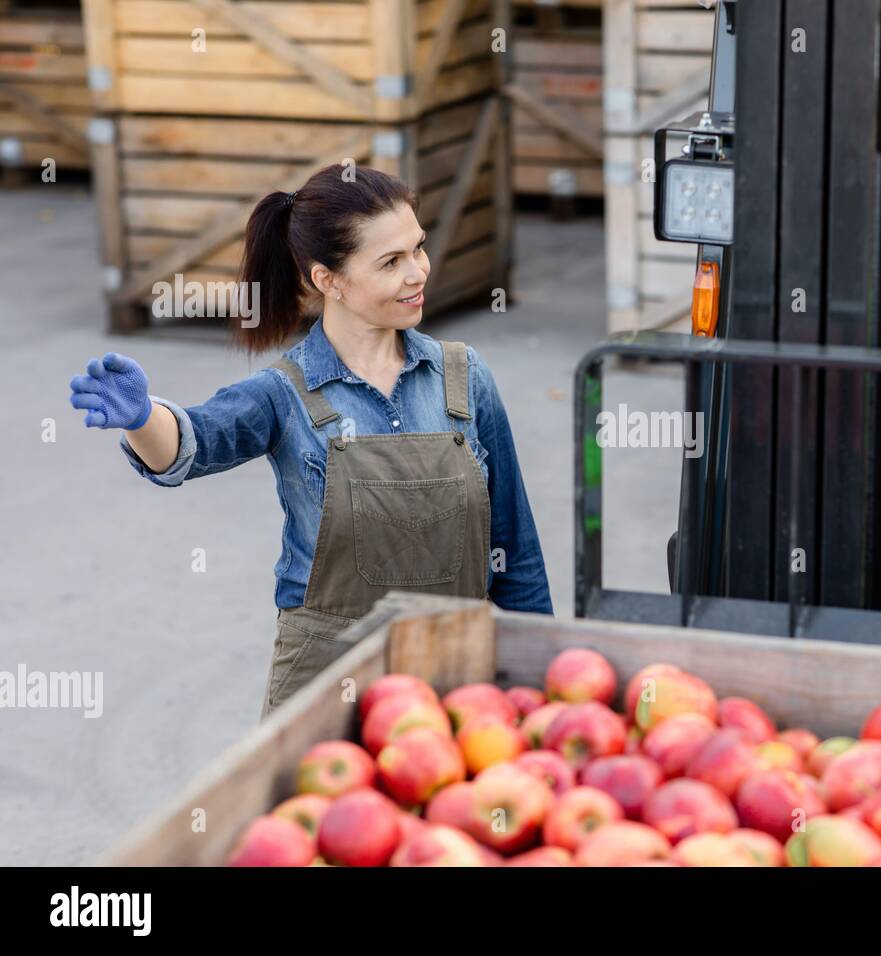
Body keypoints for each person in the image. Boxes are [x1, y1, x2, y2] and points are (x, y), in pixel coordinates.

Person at [69, 164, 553, 715]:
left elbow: (516, 551)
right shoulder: (284, 393)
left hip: (459, 670)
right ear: (329, 280)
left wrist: (539, 679)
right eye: (391, 262)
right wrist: (141, 417)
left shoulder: (465, 379)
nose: (418, 272)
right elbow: (195, 441)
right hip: (327, 678)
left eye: (417, 249)